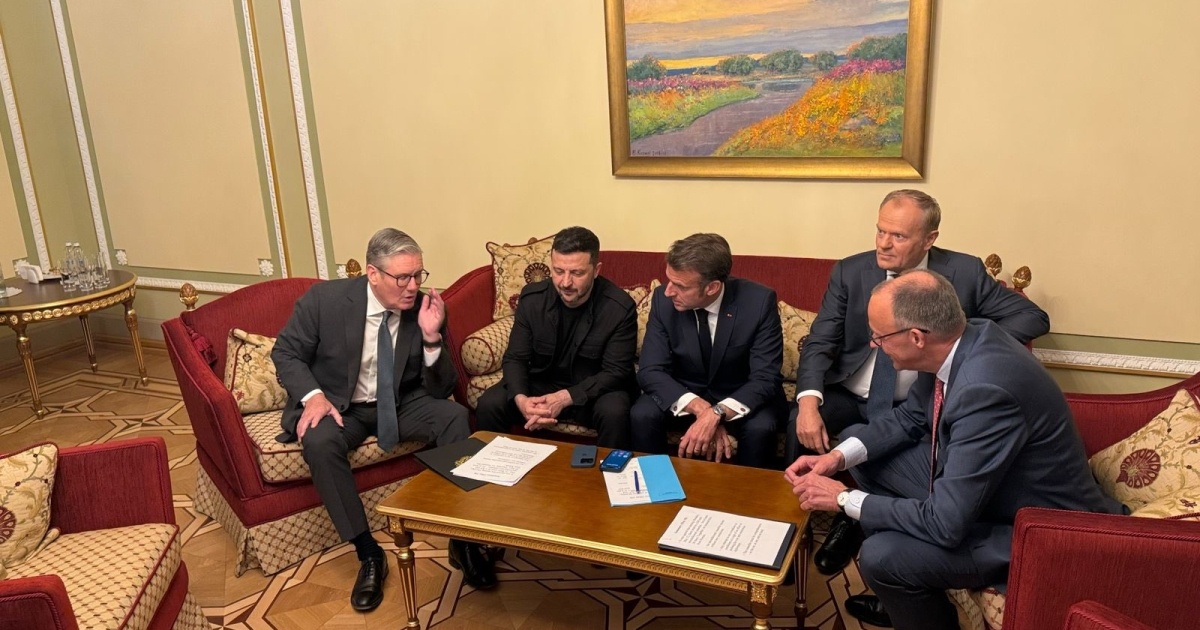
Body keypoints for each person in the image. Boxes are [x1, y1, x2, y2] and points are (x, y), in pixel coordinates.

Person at [786, 270, 1125, 630]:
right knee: (859, 443)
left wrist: (843, 498)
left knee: (881, 557)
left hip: (1036, 528)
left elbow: (946, 523)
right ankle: (907, 591)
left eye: (879, 337)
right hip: (982, 492)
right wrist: (836, 457)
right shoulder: (959, 339)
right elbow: (910, 417)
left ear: (916, 337)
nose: (873, 345)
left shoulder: (986, 390)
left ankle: (908, 584)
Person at [790, 189, 1050, 576]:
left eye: (897, 236)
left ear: (929, 239)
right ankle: (797, 535)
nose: (883, 244)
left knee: (882, 513)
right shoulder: (851, 270)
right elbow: (821, 341)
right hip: (858, 392)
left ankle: (864, 523)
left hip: (926, 406)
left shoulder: (964, 277)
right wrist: (811, 412)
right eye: (880, 231)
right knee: (831, 432)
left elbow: (1033, 317)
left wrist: (966, 349)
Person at [272, 228, 492, 612]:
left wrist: (431, 338)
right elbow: (286, 353)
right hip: (341, 407)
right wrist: (314, 397)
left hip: (401, 402)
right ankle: (368, 552)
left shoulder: (424, 309)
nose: (413, 286)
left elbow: (441, 387)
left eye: (418, 275)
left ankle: (464, 540)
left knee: (455, 417)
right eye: (402, 277)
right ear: (373, 274)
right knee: (319, 442)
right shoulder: (324, 302)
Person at [632, 233, 785, 469]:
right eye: (669, 280)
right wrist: (702, 409)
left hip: (739, 396)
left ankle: (750, 492)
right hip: (685, 393)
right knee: (642, 414)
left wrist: (718, 413)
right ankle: (654, 485)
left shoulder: (758, 302)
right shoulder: (663, 300)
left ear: (712, 287)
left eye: (680, 286)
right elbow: (651, 370)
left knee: (761, 427)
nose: (669, 291)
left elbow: (765, 378)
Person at [476, 226, 637, 448]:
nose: (565, 282)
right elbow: (516, 358)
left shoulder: (619, 308)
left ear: (596, 270)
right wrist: (521, 399)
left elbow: (615, 372)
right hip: (543, 383)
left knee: (615, 412)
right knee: (490, 403)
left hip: (592, 390)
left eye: (577, 273)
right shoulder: (533, 299)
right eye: (558, 271)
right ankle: (497, 467)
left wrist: (565, 398)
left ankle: (608, 470)